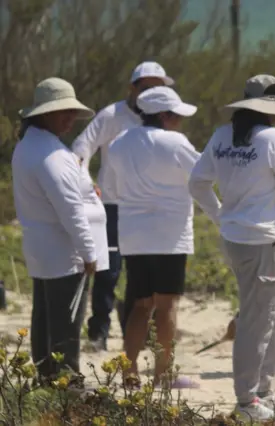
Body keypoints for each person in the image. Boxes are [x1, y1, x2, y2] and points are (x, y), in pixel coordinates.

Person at [189, 74, 275, 421]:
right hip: (260, 241)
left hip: (235, 239)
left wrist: (222, 216)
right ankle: (247, 401)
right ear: (273, 110)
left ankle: (264, 392)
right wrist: (274, 218)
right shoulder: (273, 138)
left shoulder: (223, 135)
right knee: (256, 321)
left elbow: (198, 183)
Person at [72, 61, 175, 351]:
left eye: (159, 88)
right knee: (108, 271)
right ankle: (99, 333)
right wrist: (85, 183)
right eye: (146, 87)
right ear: (132, 88)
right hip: (113, 205)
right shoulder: (112, 115)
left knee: (143, 273)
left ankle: (136, 334)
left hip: (148, 207)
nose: (151, 93)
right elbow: (81, 148)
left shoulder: (164, 119)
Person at [107, 86, 201, 389]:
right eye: (177, 116)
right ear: (165, 115)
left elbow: (111, 187)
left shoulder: (119, 144)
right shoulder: (175, 142)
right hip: (169, 236)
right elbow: (202, 175)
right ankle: (163, 375)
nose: (180, 122)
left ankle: (129, 372)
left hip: (133, 236)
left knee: (140, 303)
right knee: (167, 305)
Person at [12, 77, 98, 383]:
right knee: (66, 320)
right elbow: (71, 212)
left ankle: (45, 376)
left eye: (71, 111)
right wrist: (89, 253)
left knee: (45, 316)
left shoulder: (25, 147)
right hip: (62, 250)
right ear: (44, 113)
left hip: (37, 247)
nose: (70, 118)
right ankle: (66, 382)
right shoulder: (54, 155)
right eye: (63, 111)